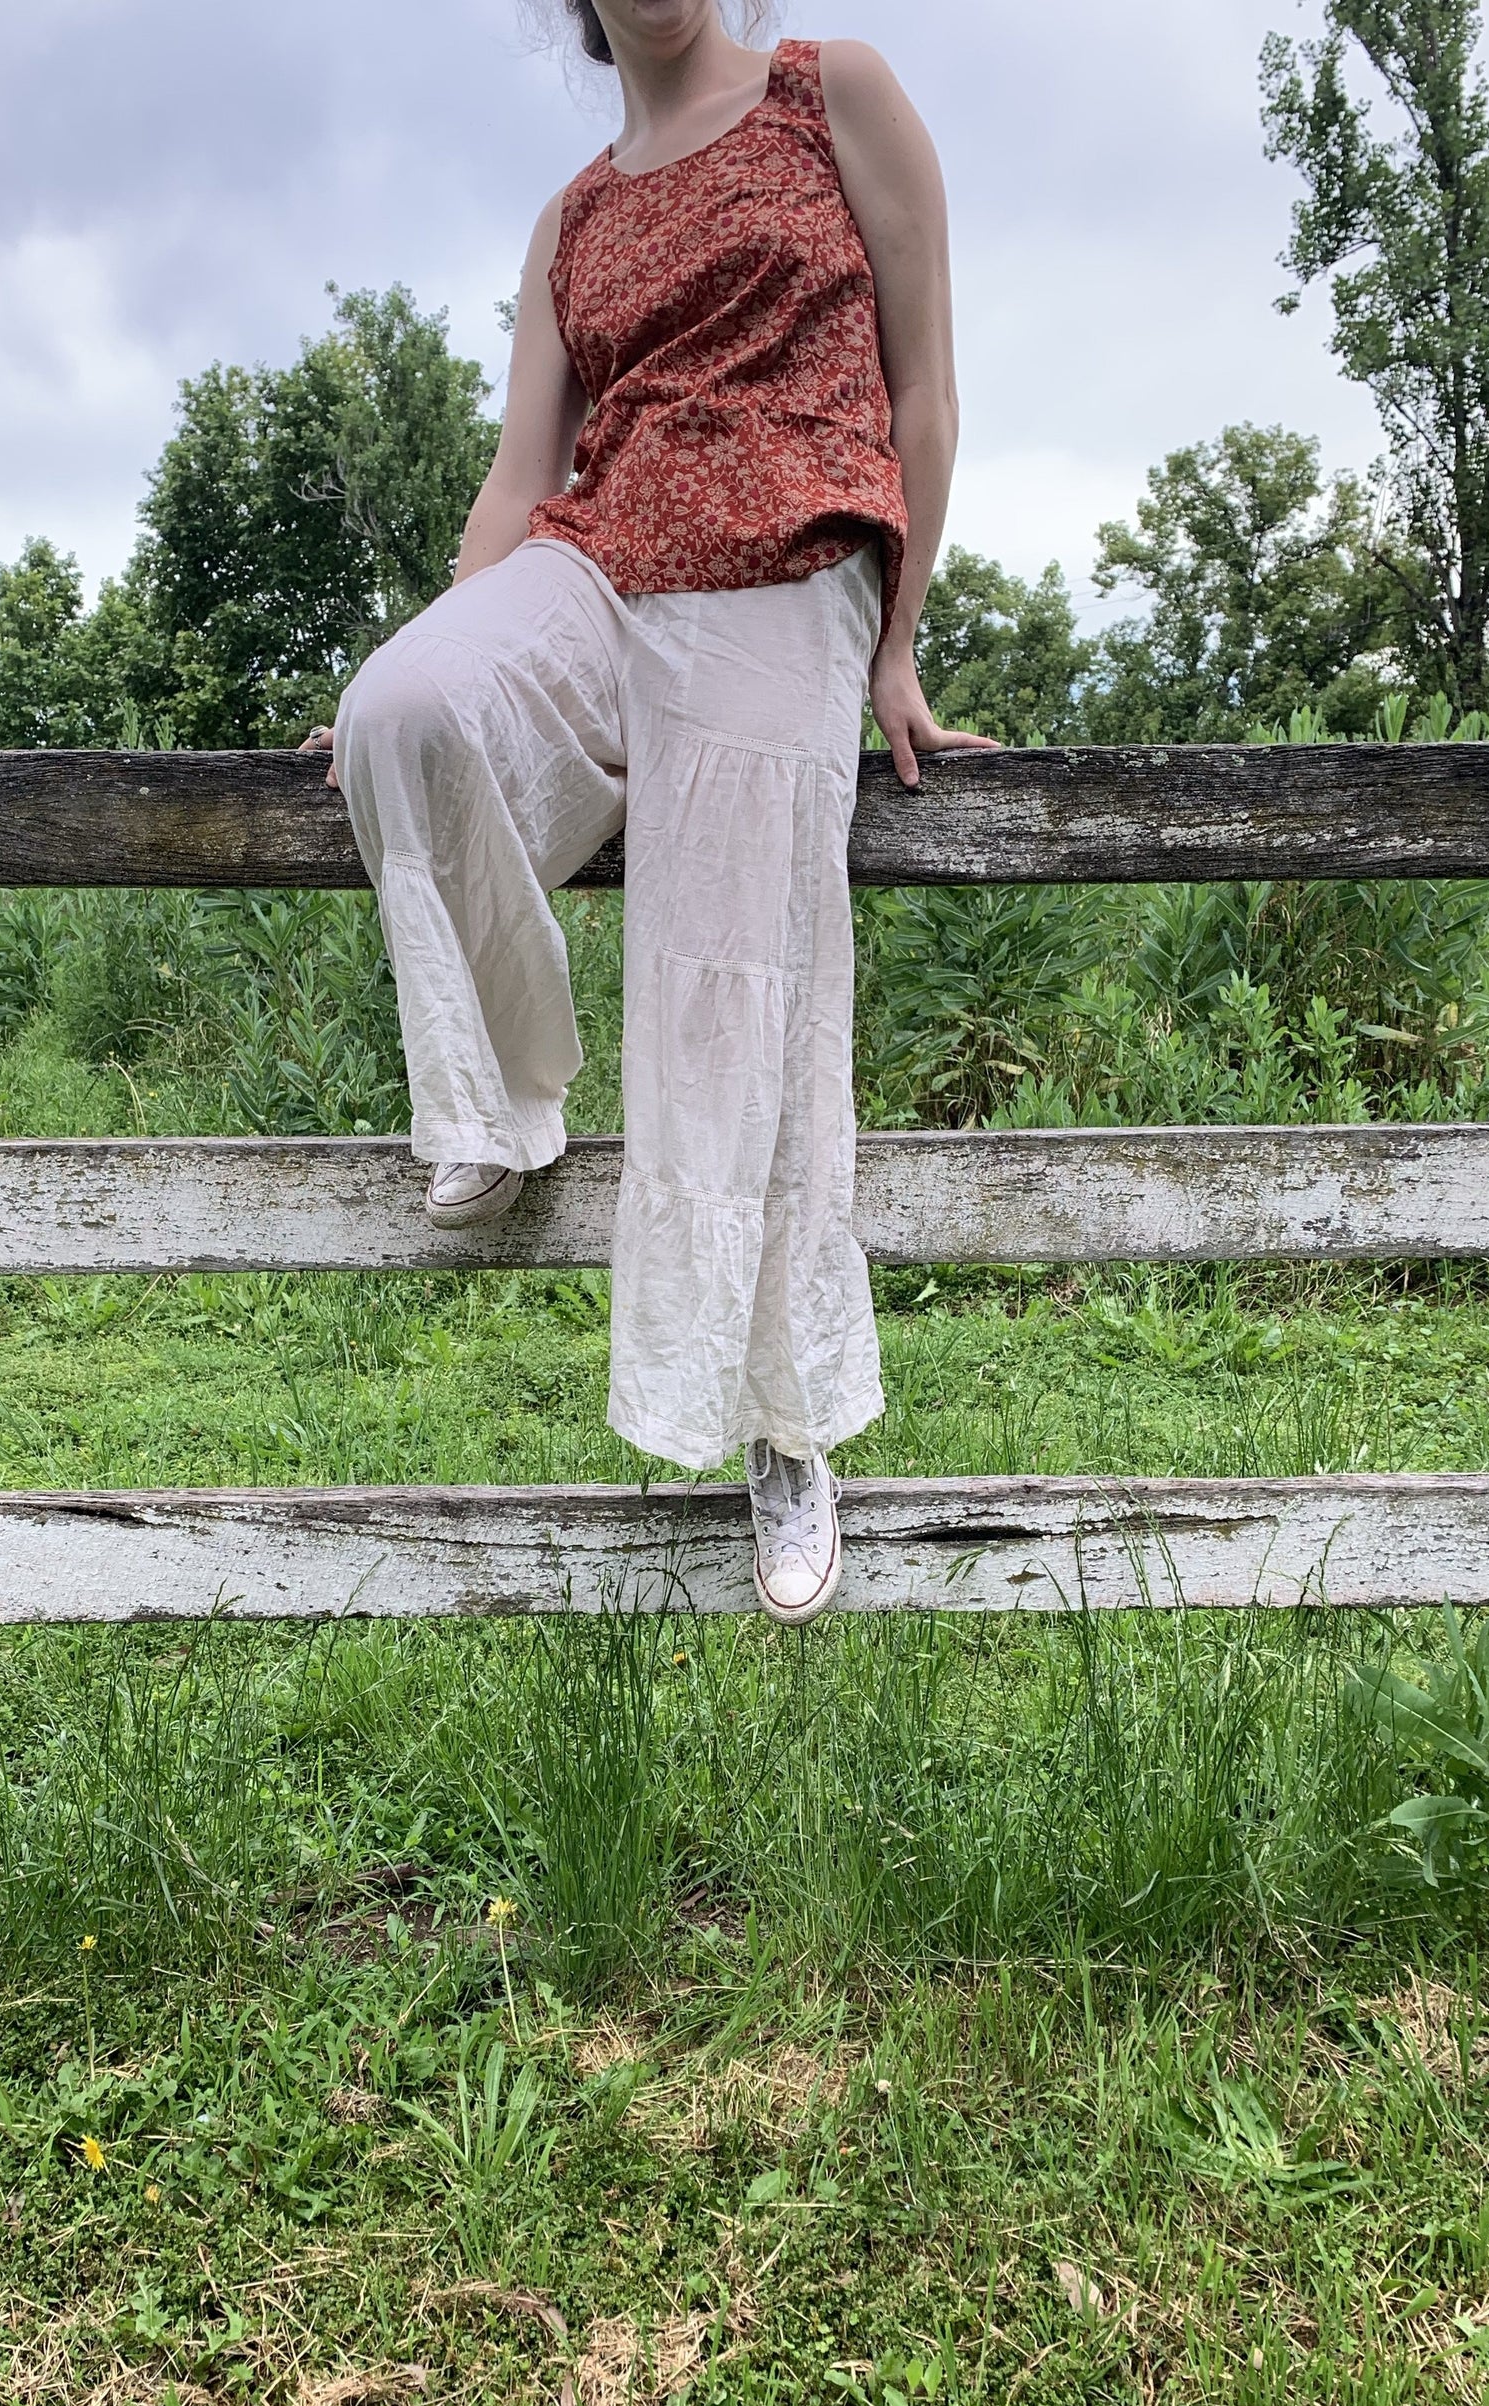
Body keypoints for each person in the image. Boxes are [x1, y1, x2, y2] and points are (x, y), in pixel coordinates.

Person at [311, 0, 992, 1623]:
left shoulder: (839, 97)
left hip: (788, 574)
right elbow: (515, 474)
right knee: (396, 719)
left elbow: (925, 390)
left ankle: (784, 1422)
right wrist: (440, 644)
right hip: (598, 562)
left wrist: (895, 644)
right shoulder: (577, 212)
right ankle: (496, 1111)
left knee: (728, 988)